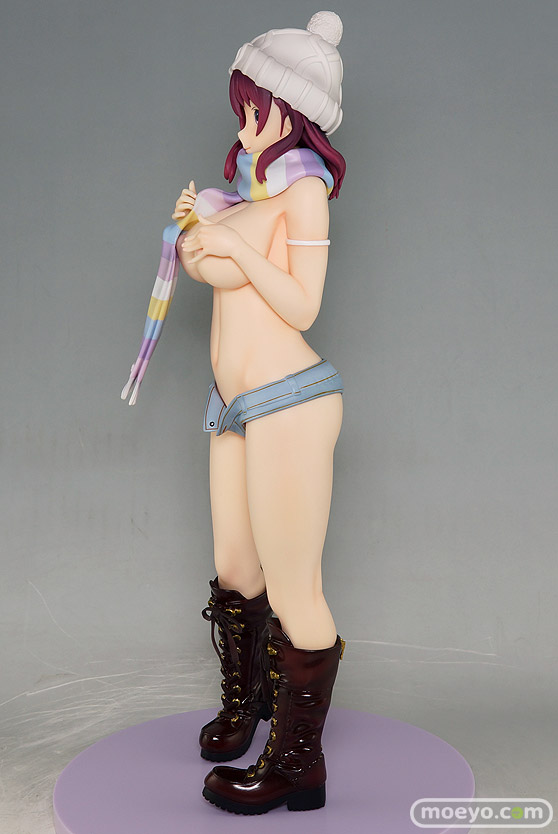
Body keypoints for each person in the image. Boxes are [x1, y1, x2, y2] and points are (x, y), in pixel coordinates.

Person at [173, 11, 347, 815]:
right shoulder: (250, 190)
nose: (244, 122)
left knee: (295, 587)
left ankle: (298, 765)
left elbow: (302, 307)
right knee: (238, 573)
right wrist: (196, 232)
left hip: (288, 401)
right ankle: (249, 711)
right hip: (233, 402)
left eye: (256, 108)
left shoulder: (304, 193)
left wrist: (233, 246)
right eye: (240, 107)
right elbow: (205, 265)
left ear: (291, 109)